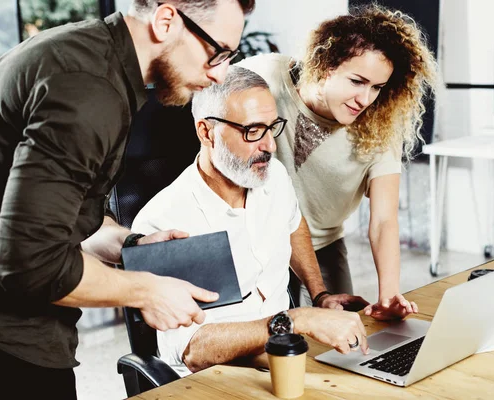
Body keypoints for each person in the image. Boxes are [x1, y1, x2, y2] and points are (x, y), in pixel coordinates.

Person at [0, 1, 254, 398]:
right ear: (166, 21)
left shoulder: (92, 56)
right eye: (217, 53)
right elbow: (31, 263)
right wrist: (145, 290)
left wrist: (132, 246)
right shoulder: (87, 92)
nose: (219, 75)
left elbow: (60, 217)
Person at [132, 66, 370, 376]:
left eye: (272, 128)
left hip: (283, 354)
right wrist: (296, 320)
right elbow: (193, 350)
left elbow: (292, 224)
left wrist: (320, 295)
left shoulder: (274, 178)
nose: (269, 145)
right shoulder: (163, 222)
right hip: (214, 379)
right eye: (253, 130)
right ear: (206, 132)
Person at [236, 4, 438, 319]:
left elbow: (384, 220)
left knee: (341, 341)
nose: (366, 98)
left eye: (377, 87)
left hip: (323, 247)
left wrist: (389, 294)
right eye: (357, 81)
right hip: (254, 245)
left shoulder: (380, 126)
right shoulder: (263, 77)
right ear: (326, 64)